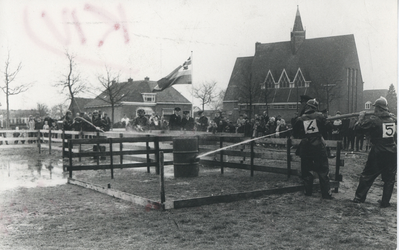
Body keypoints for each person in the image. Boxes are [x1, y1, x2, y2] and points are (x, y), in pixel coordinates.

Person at [352, 97, 397, 208]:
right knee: (389, 178)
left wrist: (360, 119)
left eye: (376, 108)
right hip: (392, 151)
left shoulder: (374, 120)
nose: (375, 110)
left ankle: (359, 198)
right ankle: (385, 202)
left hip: (378, 151)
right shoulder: (393, 120)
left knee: (367, 175)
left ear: (379, 108)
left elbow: (357, 130)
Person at [293, 99, 333, 199]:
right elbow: (329, 127)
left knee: (306, 170)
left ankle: (308, 191)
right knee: (323, 170)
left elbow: (295, 133)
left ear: (308, 107)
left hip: (306, 146)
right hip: (318, 146)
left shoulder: (300, 118)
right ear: (315, 108)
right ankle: (326, 193)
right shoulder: (320, 116)